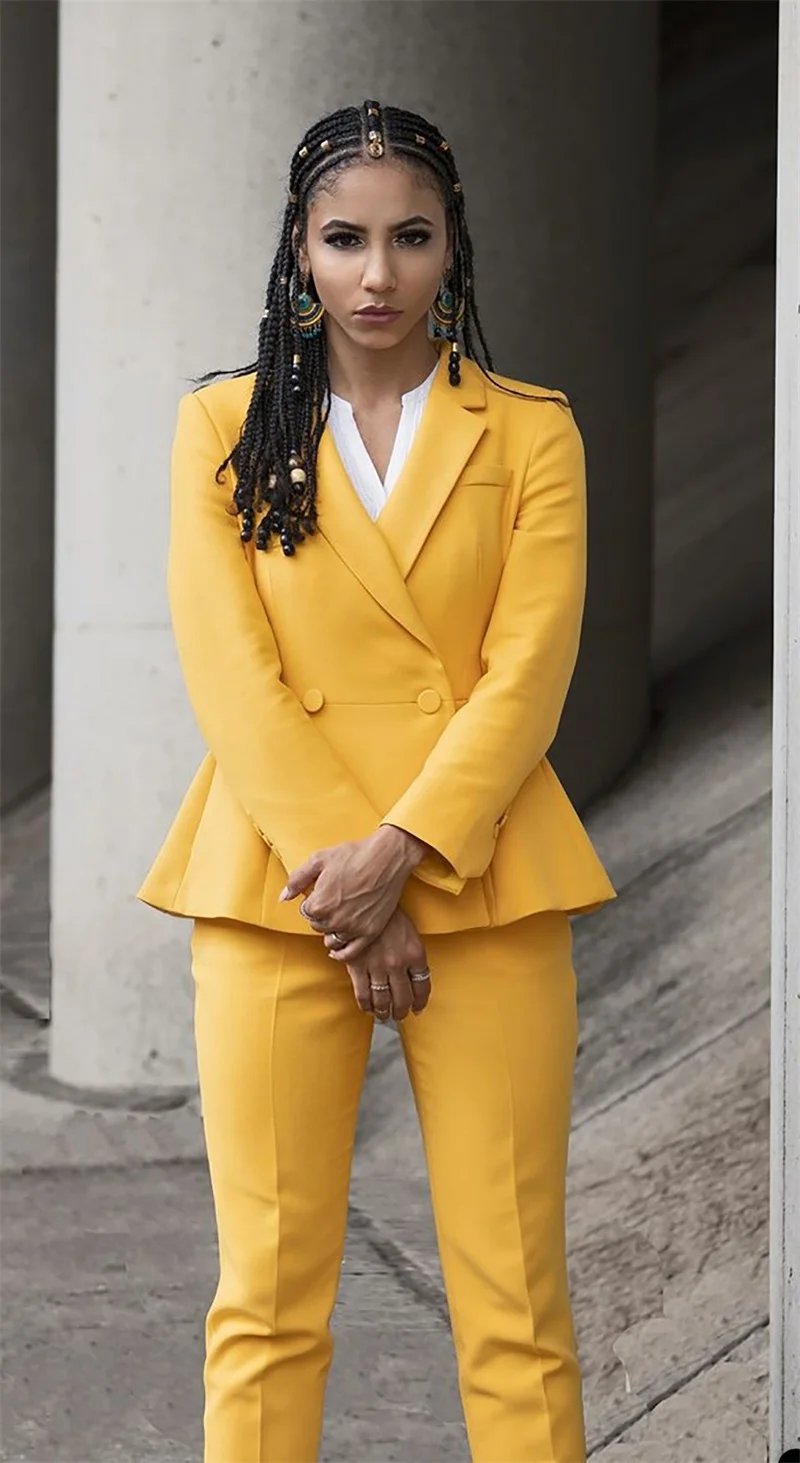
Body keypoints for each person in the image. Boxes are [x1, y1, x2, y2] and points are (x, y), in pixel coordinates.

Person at [138, 98, 617, 1463]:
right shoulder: (221, 428)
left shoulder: (532, 431)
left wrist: (398, 852)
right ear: (296, 251)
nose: (378, 273)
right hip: (279, 887)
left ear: (455, 247)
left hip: (484, 879)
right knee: (268, 1303)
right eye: (345, 237)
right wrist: (354, 887)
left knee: (518, 1301)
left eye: (411, 236)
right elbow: (232, 678)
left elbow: (530, 673)